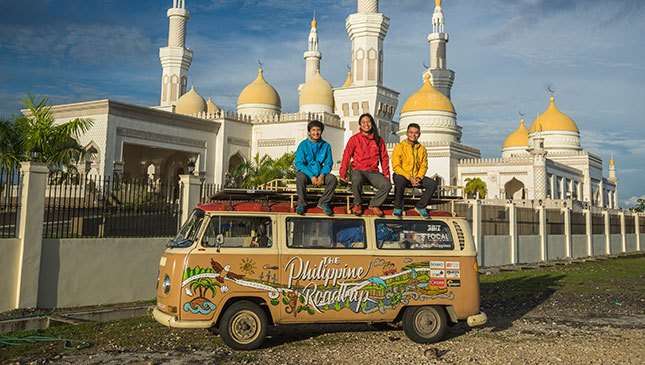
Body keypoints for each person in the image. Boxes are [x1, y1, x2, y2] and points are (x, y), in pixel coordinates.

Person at [339, 113, 391, 217]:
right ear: (360, 125)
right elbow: (346, 155)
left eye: (368, 121)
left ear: (372, 123)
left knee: (387, 184)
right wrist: (342, 173)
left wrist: (386, 174)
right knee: (356, 178)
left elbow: (384, 158)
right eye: (363, 122)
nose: (366, 124)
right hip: (358, 170)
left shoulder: (378, 140)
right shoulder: (354, 139)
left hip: (373, 172)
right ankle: (357, 204)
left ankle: (374, 204)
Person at [391, 123, 437, 218]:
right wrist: (409, 177)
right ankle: (398, 207)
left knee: (432, 184)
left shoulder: (422, 149)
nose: (413, 135)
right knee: (399, 180)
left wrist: (418, 177)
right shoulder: (399, 147)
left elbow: (424, 165)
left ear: (419, 134)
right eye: (411, 132)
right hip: (403, 176)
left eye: (416, 133)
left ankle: (420, 206)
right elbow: (396, 166)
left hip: (416, 177)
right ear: (407, 133)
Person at [293, 120, 338, 216]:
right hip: (307, 174)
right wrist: (311, 176)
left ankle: (323, 202)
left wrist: (322, 175)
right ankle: (302, 203)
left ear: (321, 131)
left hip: (321, 174)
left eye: (318, 130)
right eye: (313, 130)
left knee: (332, 179)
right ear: (309, 132)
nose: (316, 133)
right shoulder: (303, 145)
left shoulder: (326, 146)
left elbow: (328, 163)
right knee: (300, 176)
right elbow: (299, 163)